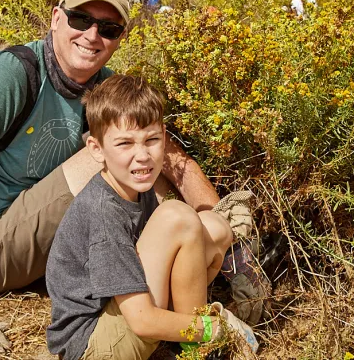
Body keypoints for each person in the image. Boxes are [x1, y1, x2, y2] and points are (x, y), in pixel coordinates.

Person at [0, 0, 238, 353]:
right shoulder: (8, 78)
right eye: (81, 19)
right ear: (55, 17)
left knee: (139, 149)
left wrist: (217, 219)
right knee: (117, 155)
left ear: (120, 38)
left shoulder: (101, 85)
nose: (92, 36)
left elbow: (173, 160)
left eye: (108, 28)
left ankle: (186, 299)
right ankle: (178, 306)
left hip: (34, 236)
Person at [46, 75, 258, 359]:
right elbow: (142, 321)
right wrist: (215, 328)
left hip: (125, 315)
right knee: (177, 217)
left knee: (214, 227)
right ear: (97, 150)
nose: (142, 155)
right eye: (125, 144)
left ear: (164, 136)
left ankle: (188, 340)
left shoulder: (134, 186)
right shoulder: (101, 210)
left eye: (152, 140)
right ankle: (199, 345)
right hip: (94, 345)